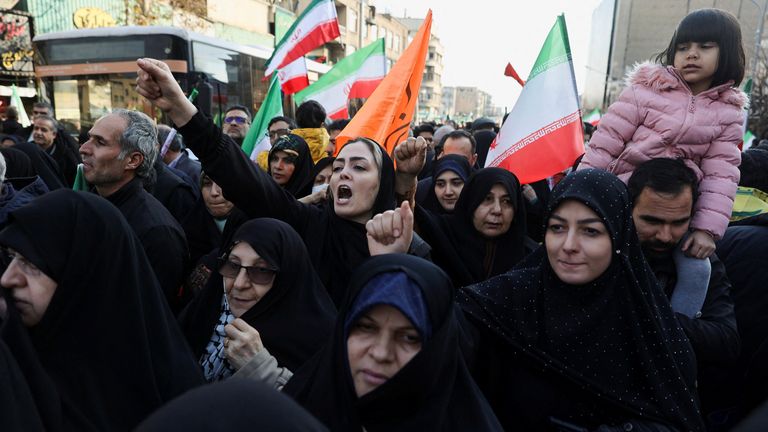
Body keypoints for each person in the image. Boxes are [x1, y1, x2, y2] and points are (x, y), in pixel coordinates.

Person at [136, 58, 428, 306]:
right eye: (338, 167)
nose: (343, 173)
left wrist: (393, 256)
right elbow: (248, 183)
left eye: (359, 166)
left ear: (382, 184)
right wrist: (180, 108)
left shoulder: (405, 245)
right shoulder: (309, 224)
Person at [458, 169, 704, 431]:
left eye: (590, 231)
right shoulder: (511, 296)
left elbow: (678, 419)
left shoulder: (645, 322)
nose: (569, 245)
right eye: (557, 228)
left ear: (618, 235)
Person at [0, 189, 203, 431]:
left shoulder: (175, 395)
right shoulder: (14, 355)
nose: (8, 278)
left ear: (85, 273)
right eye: (11, 257)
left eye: (31, 264)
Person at [578, 9, 746, 294]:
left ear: (727, 53)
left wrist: (705, 229)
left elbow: (721, 174)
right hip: (620, 196)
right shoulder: (645, 91)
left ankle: (677, 321)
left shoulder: (729, 113)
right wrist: (581, 191)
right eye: (683, 47)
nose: (692, 54)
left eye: (705, 47)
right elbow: (605, 144)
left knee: (698, 270)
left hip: (674, 210)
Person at [283, 254, 503, 431]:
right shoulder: (297, 411)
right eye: (366, 327)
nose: (381, 353)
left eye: (409, 338)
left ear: (436, 349)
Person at [179, 218, 336, 387]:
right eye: (233, 265)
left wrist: (259, 367)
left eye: (261, 270)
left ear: (286, 280)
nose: (239, 284)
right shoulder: (209, 309)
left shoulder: (318, 343)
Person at [79, 109, 190, 314]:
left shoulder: (157, 232)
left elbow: (146, 313)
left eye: (100, 142)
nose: (84, 149)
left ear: (133, 160)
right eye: (89, 138)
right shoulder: (88, 206)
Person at [137, 379, 328, 432]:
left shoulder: (312, 334)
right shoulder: (204, 313)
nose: (240, 292)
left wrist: (262, 367)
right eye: (229, 276)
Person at [31, 115, 81, 187]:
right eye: (36, 128)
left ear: (54, 134)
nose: (38, 132)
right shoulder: (28, 149)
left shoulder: (66, 156)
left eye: (44, 130)